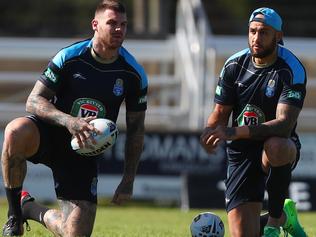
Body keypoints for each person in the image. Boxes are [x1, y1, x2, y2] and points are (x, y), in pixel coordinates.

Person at [1, 0, 148, 236]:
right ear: (95, 25)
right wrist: (69, 121)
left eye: (124, 24)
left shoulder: (133, 74)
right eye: (112, 23)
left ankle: (29, 208)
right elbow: (34, 101)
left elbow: (137, 130)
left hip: (84, 150)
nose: (119, 29)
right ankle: (14, 217)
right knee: (14, 131)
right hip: (49, 132)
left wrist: (128, 179)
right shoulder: (70, 57)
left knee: (75, 234)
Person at [200, 7, 307, 237]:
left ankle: (274, 224)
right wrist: (209, 132)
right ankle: (286, 217)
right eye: (252, 31)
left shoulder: (291, 69)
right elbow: (219, 112)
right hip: (241, 152)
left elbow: (284, 125)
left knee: (276, 145)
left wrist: (234, 132)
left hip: (277, 146)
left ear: (278, 36)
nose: (256, 38)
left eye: (264, 32)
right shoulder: (233, 65)